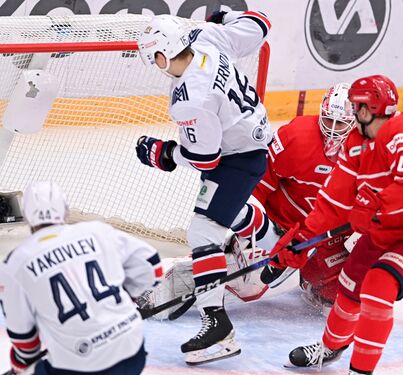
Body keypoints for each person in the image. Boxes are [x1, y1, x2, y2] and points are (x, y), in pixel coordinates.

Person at [271, 75, 403, 374]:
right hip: (383, 232)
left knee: (378, 287)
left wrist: (375, 205)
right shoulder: (355, 144)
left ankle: (360, 370)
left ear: (364, 109)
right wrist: (302, 240)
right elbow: (334, 201)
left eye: (353, 106)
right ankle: (331, 347)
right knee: (349, 287)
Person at [136, 9, 272, 365]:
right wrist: (227, 16)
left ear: (164, 55)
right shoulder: (207, 37)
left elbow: (205, 159)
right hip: (251, 139)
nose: (157, 66)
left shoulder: (189, 97)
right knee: (217, 210)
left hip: (238, 158)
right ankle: (263, 230)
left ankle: (218, 325)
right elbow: (260, 24)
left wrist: (162, 154)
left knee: (202, 231)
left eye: (155, 59)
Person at [0, 181, 162, 375]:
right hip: (132, 354)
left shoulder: (15, 263)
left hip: (77, 367)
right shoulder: (97, 232)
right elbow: (153, 267)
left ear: (26, 215)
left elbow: (24, 340)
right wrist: (128, 296)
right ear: (65, 210)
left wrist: (21, 364)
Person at [248, 82, 356, 313]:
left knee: (336, 295)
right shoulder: (296, 135)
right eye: (328, 120)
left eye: (342, 123)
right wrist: (252, 226)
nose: (334, 130)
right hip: (280, 225)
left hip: (323, 236)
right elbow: (259, 183)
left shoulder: (365, 152)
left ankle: (312, 274)